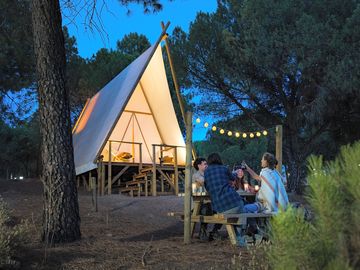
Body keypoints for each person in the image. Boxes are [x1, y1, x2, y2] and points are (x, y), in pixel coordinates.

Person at [204, 153, 246, 245]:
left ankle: (236, 237)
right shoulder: (224, 168)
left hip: (220, 208)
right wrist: (235, 174)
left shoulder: (206, 172)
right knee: (242, 211)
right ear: (219, 159)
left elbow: (207, 188)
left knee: (237, 213)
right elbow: (233, 178)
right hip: (235, 201)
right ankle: (240, 236)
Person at [192, 157, 211, 240]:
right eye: (205, 164)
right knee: (205, 209)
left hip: (207, 200)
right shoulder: (196, 175)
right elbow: (203, 181)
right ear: (199, 165)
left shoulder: (207, 174)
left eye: (207, 164)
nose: (207, 165)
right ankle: (203, 231)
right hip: (198, 202)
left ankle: (212, 231)